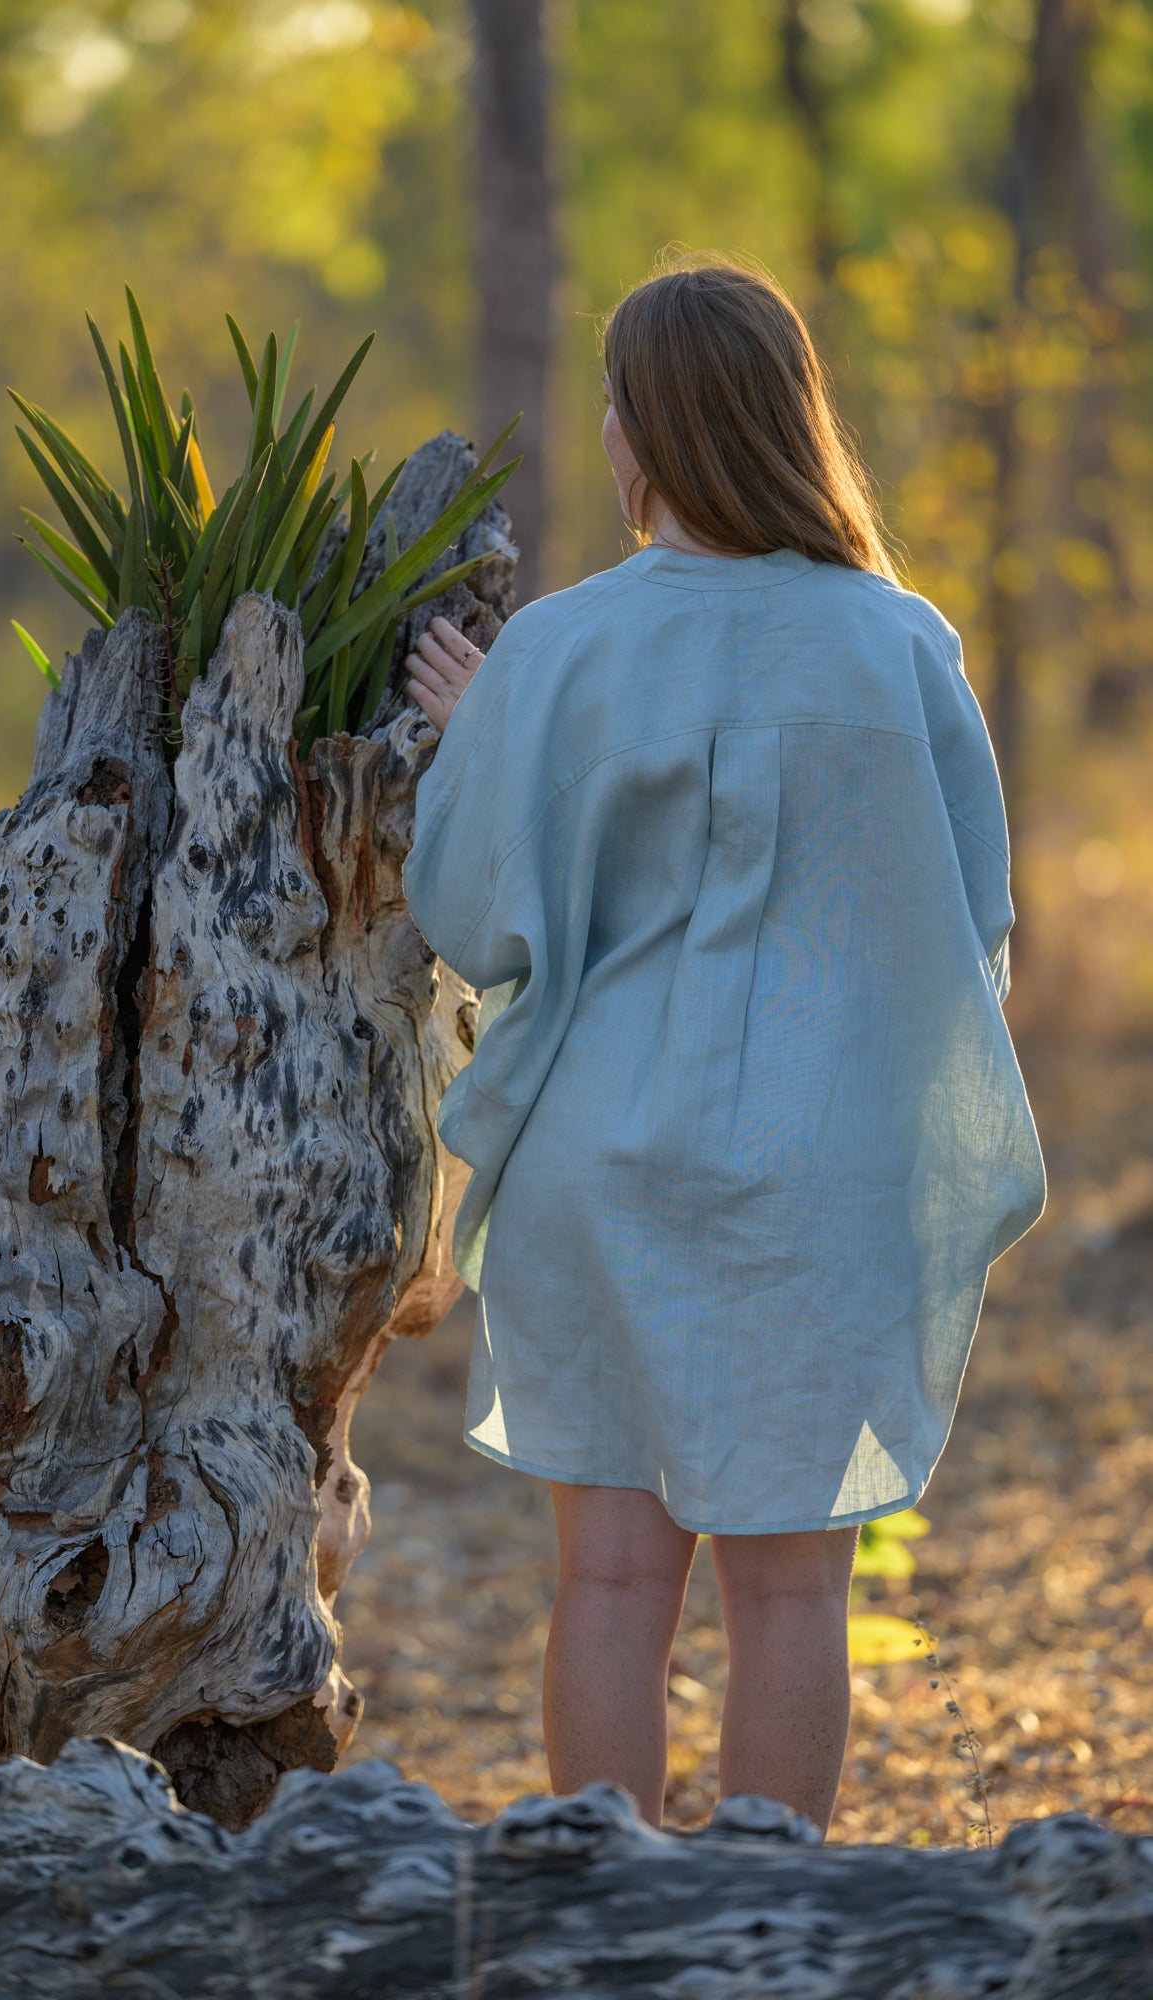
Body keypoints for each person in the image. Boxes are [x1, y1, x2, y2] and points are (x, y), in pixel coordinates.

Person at [398, 254, 1046, 1838]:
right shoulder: (899, 647)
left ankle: (606, 1918)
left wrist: (498, 733)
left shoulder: (554, 654)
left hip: (599, 1159)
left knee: (610, 1576)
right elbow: (968, 936)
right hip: (822, 1176)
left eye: (614, 403)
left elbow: (473, 915)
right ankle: (768, 1925)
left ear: (644, 434)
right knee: (789, 1590)